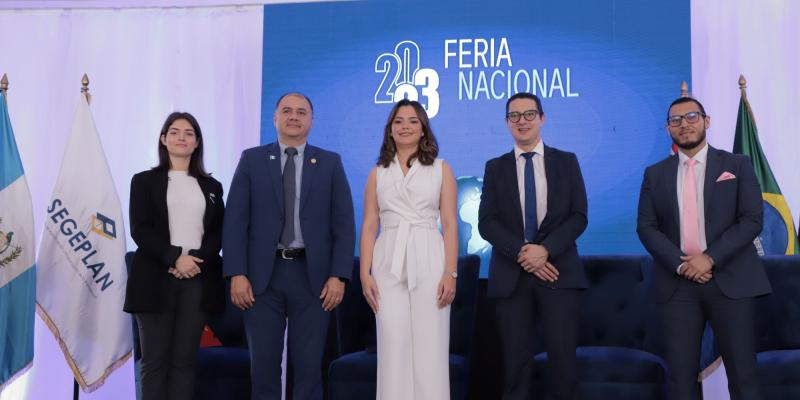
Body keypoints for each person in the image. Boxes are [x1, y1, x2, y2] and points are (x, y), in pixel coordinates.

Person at [637, 97, 771, 400]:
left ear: (706, 121)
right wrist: (683, 264)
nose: (684, 124)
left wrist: (709, 259)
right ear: (668, 128)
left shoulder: (737, 164)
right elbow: (646, 227)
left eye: (692, 117)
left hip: (732, 280)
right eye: (676, 120)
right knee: (681, 379)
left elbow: (752, 220)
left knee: (743, 376)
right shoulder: (654, 174)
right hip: (678, 284)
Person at [223, 93, 355, 400]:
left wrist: (339, 275)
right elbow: (235, 222)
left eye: (301, 112)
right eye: (287, 111)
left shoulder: (329, 163)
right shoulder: (252, 159)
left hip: (314, 278)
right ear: (275, 118)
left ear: (311, 120)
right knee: (264, 367)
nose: (294, 117)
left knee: (309, 368)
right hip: (261, 279)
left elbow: (344, 224)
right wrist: (236, 273)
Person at [478, 92, 588, 400]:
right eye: (514, 116)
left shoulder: (566, 162)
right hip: (511, 278)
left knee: (564, 368)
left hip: (559, 274)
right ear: (506, 122)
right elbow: (487, 222)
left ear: (542, 118)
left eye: (529, 114)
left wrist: (545, 251)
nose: (522, 121)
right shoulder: (495, 167)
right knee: (514, 370)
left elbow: (579, 216)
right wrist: (523, 252)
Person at [359, 99, 458, 400]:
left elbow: (451, 223)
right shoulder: (378, 172)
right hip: (387, 258)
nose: (405, 126)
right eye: (398, 121)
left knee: (431, 344)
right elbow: (369, 224)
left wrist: (450, 272)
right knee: (392, 343)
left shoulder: (441, 169)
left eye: (413, 120)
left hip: (429, 253)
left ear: (424, 128)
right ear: (389, 129)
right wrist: (365, 273)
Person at [124, 112, 225, 400]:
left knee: (184, 363)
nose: (182, 137)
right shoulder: (143, 181)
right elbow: (139, 229)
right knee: (154, 363)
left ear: (197, 143)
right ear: (163, 139)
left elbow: (218, 231)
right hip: (154, 278)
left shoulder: (212, 187)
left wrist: (194, 260)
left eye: (189, 133)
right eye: (175, 131)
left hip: (198, 278)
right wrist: (174, 258)